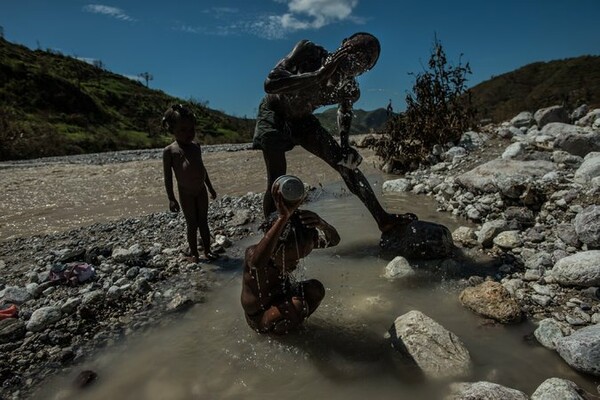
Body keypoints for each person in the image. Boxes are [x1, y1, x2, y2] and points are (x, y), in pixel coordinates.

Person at [253, 32, 417, 233]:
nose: (356, 61)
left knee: (346, 165)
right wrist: (318, 75)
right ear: (342, 44)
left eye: (365, 61)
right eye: (353, 51)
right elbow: (270, 83)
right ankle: (272, 234)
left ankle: (383, 219)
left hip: (303, 121)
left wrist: (345, 146)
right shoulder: (308, 51)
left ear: (365, 70)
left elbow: (345, 112)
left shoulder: (349, 89)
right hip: (274, 113)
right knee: (277, 179)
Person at [241, 182, 340, 334]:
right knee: (297, 306)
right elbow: (257, 263)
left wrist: (322, 224)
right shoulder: (255, 255)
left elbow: (333, 241)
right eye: (289, 260)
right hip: (260, 317)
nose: (295, 265)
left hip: (283, 300)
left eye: (298, 259)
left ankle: (293, 323)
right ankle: (283, 334)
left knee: (315, 289)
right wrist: (282, 218)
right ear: (274, 250)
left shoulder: (294, 245)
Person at [162, 104, 219, 262]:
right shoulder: (170, 151)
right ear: (172, 130)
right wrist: (171, 198)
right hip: (185, 192)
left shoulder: (196, 147)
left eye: (191, 129)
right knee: (192, 224)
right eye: (182, 130)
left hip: (200, 190)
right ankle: (194, 254)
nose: (188, 134)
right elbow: (168, 177)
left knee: (204, 221)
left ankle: (207, 250)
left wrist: (210, 187)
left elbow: (202, 169)